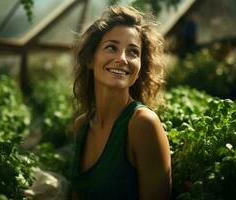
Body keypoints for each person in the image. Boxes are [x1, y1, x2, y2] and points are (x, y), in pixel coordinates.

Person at [71, 5, 171, 200]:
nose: (122, 59)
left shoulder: (143, 124)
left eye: (133, 52)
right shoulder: (81, 125)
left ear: (141, 66)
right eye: (111, 48)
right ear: (91, 59)